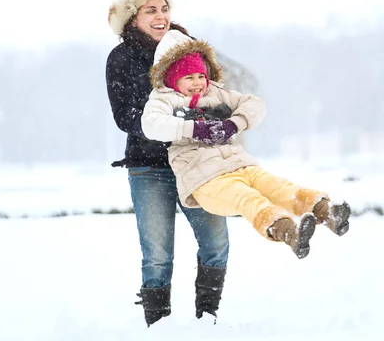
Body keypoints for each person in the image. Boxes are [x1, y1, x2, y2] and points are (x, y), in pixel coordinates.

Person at [141, 29, 352, 261]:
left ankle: (327, 212)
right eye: (189, 77)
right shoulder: (163, 100)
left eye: (201, 76)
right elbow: (151, 125)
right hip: (206, 180)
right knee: (249, 199)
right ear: (173, 79)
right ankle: (288, 231)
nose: (198, 83)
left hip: (242, 165)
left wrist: (234, 123)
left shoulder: (217, 93)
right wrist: (195, 129)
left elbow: (255, 104)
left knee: (280, 187)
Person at [106, 0, 229, 327]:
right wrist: (176, 123)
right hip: (149, 167)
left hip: (196, 163)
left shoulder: (187, 47)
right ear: (135, 17)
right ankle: (158, 327)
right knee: (157, 256)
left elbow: (212, 93)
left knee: (216, 242)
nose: (160, 16)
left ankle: (208, 322)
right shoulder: (122, 57)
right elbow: (125, 115)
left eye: (164, 8)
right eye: (150, 10)